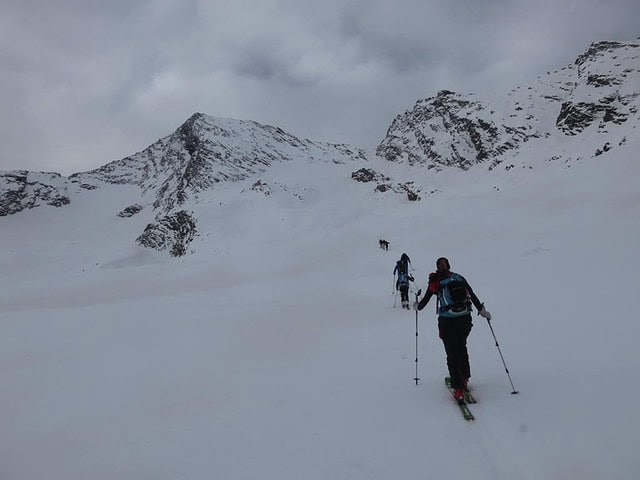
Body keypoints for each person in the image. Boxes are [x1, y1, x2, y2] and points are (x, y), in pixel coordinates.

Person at [414, 257, 491, 402]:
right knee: (461, 346)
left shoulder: (436, 281)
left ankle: (459, 388)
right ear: (449, 266)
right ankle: (465, 377)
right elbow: (472, 295)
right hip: (465, 319)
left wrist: (417, 306)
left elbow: (425, 300)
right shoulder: (458, 277)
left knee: (451, 352)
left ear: (437, 267)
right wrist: (482, 310)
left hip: (447, 321)